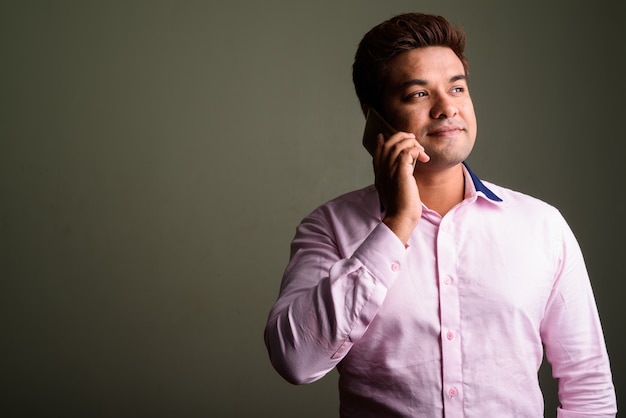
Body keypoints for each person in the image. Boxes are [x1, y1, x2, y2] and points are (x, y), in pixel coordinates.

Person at [264, 12, 616, 417]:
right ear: (373, 116)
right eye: (418, 94)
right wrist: (396, 225)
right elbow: (296, 361)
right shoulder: (329, 228)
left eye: (458, 88)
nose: (447, 108)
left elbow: (587, 383)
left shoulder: (543, 226)